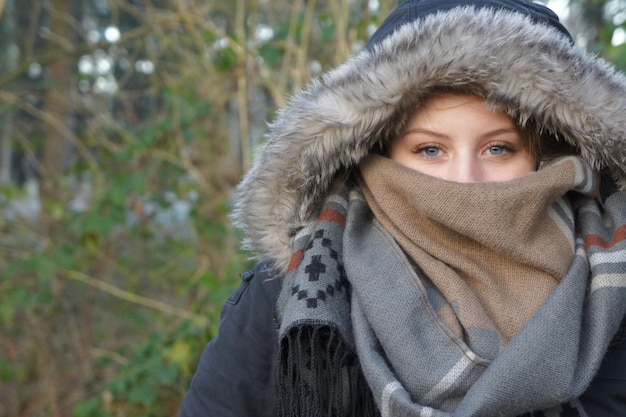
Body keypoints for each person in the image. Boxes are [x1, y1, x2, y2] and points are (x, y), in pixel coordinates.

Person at [179, 0, 626, 416]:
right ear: (380, 151)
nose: (464, 180)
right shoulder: (295, 290)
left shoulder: (614, 288)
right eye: (430, 150)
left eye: (499, 148)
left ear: (549, 154)